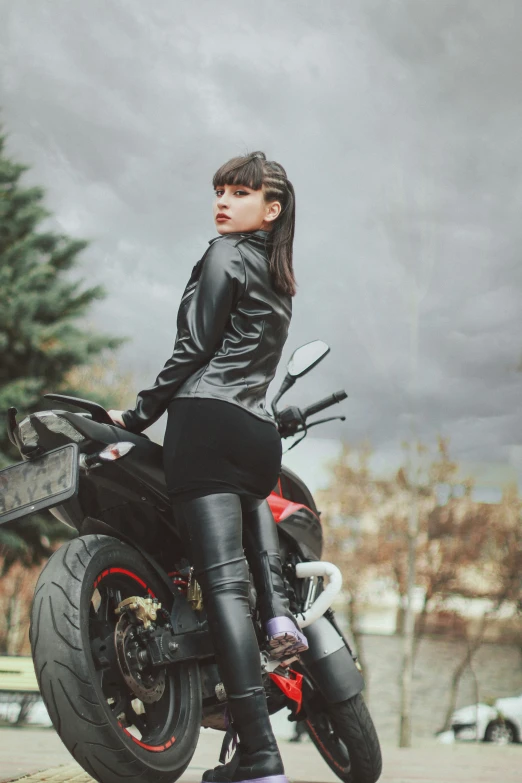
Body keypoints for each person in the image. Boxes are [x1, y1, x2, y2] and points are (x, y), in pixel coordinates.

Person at [108, 151, 308, 783]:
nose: (223, 201)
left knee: (221, 589)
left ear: (269, 209)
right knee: (244, 585)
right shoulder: (282, 279)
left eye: (240, 192)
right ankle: (278, 612)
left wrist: (138, 415)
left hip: (207, 421)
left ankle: (260, 758)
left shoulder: (223, 254)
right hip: (256, 436)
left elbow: (193, 349)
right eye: (219, 190)